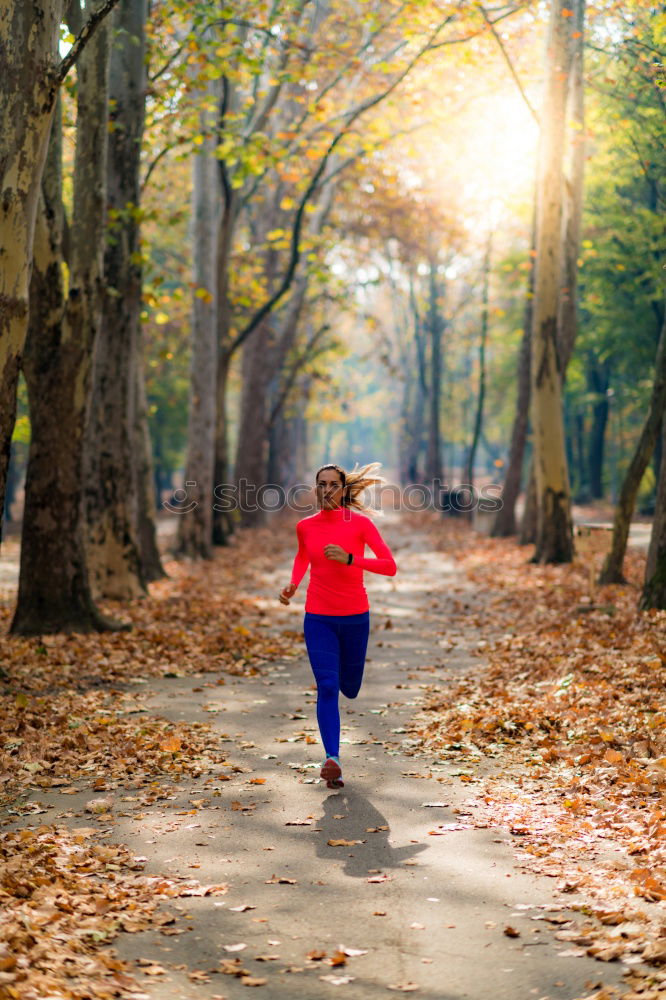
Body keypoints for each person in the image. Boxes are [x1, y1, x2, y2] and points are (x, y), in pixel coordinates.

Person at [279, 462, 397, 789]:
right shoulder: (305, 526)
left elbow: (389, 566)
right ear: (315, 488)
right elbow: (303, 555)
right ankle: (333, 759)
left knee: (350, 688)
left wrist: (349, 559)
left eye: (333, 484)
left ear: (343, 490)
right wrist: (293, 584)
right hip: (318, 616)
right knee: (328, 686)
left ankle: (335, 751)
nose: (326, 489)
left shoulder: (360, 525)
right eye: (321, 484)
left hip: (355, 616)